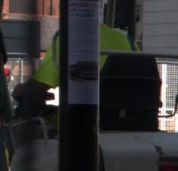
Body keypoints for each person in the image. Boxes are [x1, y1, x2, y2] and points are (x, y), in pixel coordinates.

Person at [11, 23, 139, 125]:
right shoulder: (126, 40)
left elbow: (35, 90)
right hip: (129, 121)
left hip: (84, 124)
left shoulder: (67, 39)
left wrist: (20, 90)